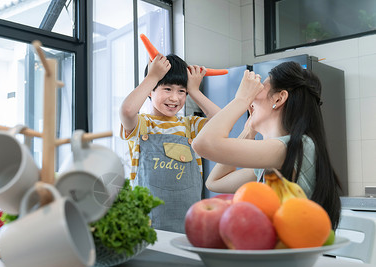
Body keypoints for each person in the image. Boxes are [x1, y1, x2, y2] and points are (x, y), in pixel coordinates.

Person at [191, 62, 341, 230]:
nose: (252, 97)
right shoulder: (275, 157)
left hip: (296, 253)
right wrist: (249, 132)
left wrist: (241, 99)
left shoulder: (294, 146)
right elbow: (215, 182)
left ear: (278, 98)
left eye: (259, 88)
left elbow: (203, 143)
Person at [120, 53, 220, 233]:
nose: (175, 98)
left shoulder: (189, 126)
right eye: (167, 89)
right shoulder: (143, 125)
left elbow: (222, 121)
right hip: (147, 226)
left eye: (182, 91)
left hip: (188, 225)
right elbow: (127, 111)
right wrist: (152, 77)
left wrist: (195, 91)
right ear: (151, 90)